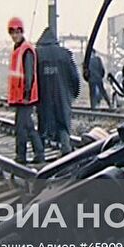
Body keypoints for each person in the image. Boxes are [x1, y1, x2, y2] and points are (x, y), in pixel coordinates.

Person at [36, 27, 80, 155]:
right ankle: (65, 147)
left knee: (43, 121)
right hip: (63, 94)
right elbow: (74, 76)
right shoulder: (65, 53)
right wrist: (73, 93)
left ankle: (40, 152)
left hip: (43, 94)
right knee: (63, 121)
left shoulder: (37, 54)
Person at [6, 17, 45, 164]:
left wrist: (27, 94)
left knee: (22, 127)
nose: (15, 35)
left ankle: (21, 155)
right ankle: (38, 154)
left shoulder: (26, 50)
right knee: (27, 126)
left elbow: (29, 74)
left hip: (25, 96)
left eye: (17, 32)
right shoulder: (18, 50)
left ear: (21, 32)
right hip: (19, 96)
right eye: (12, 32)